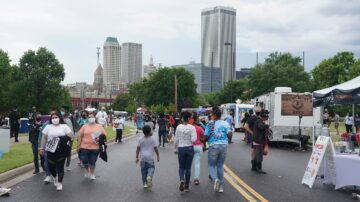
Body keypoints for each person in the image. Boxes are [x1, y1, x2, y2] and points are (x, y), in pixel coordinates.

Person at [40, 112, 73, 191]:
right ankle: (55, 177)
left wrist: (59, 138)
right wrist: (41, 148)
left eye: (56, 117)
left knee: (60, 167)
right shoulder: (48, 127)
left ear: (59, 118)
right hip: (50, 150)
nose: (55, 119)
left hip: (61, 150)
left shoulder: (64, 126)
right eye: (53, 118)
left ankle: (60, 183)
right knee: (51, 167)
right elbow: (44, 138)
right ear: (51, 119)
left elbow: (70, 135)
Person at [204, 108, 232, 193]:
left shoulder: (210, 124)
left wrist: (203, 142)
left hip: (213, 146)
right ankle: (221, 187)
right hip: (224, 146)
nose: (211, 116)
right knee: (220, 166)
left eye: (212, 114)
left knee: (211, 165)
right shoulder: (226, 123)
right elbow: (230, 135)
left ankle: (215, 179)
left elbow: (206, 137)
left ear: (215, 115)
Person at [78, 113, 106, 180]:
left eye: (92, 117)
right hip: (84, 146)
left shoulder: (99, 126)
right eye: (89, 117)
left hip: (95, 148)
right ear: (88, 118)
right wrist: (78, 146)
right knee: (84, 159)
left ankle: (92, 174)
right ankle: (88, 171)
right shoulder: (84, 126)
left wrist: (100, 138)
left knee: (92, 161)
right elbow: (80, 136)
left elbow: (104, 135)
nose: (91, 118)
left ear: (95, 118)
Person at [174, 111, 197, 192]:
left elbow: (176, 139)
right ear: (188, 118)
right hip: (190, 148)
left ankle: (181, 180)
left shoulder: (178, 127)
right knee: (188, 168)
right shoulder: (192, 127)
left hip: (181, 148)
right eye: (190, 117)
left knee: (181, 167)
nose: (191, 119)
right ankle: (186, 186)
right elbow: (194, 140)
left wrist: (175, 149)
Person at [244, 107, 261, 171]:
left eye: (259, 111)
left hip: (260, 137)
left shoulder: (260, 117)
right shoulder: (252, 118)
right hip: (254, 136)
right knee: (254, 149)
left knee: (258, 150)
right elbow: (245, 126)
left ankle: (257, 164)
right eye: (257, 111)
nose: (259, 112)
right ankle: (253, 164)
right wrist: (251, 132)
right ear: (255, 111)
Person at [253, 110, 270, 174]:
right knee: (259, 155)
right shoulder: (260, 121)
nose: (267, 118)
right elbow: (261, 127)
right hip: (259, 141)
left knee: (257, 154)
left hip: (257, 140)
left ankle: (254, 166)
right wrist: (267, 126)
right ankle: (259, 168)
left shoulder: (259, 121)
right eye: (267, 117)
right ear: (264, 117)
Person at [60, 106, 75, 171]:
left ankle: (67, 165)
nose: (62, 111)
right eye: (61, 110)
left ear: (66, 111)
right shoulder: (60, 118)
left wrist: (72, 136)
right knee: (61, 151)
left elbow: (72, 127)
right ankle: (61, 164)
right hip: (62, 137)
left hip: (69, 137)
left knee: (68, 151)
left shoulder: (70, 117)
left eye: (63, 110)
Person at [192, 113, 204, 185]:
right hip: (198, 147)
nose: (199, 121)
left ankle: (186, 178)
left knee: (188, 164)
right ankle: (196, 179)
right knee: (197, 164)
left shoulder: (189, 127)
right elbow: (203, 137)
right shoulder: (200, 128)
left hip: (190, 147)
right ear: (195, 120)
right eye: (198, 120)